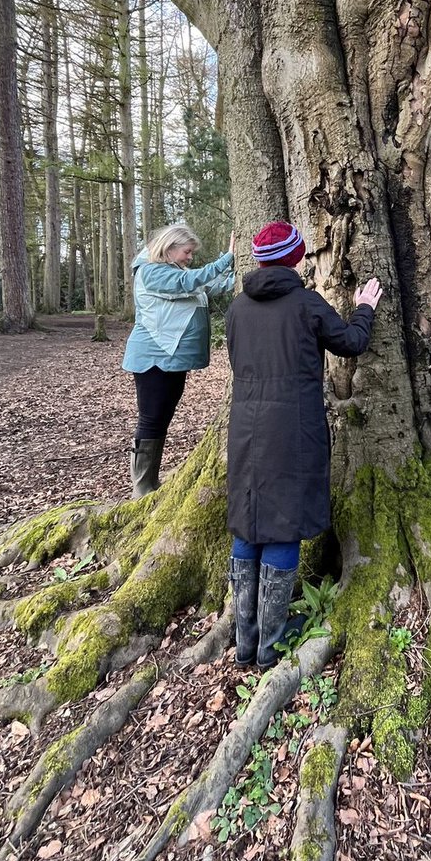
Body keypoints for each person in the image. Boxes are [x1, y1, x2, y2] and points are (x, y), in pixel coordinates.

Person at [225, 221, 383, 668]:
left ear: (257, 260)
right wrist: (364, 307)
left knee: (248, 517)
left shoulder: (237, 309)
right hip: (292, 428)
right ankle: (268, 646)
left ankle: (245, 640)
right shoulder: (307, 304)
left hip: (245, 428)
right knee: (283, 519)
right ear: (297, 259)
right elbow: (352, 342)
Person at [122, 224, 235, 498]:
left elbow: (211, 285)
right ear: (169, 248)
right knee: (152, 419)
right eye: (187, 252)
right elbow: (188, 283)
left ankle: (148, 483)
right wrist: (227, 258)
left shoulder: (176, 271)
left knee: (162, 416)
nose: (189, 258)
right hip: (153, 357)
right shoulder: (151, 271)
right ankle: (142, 488)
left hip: (169, 358)